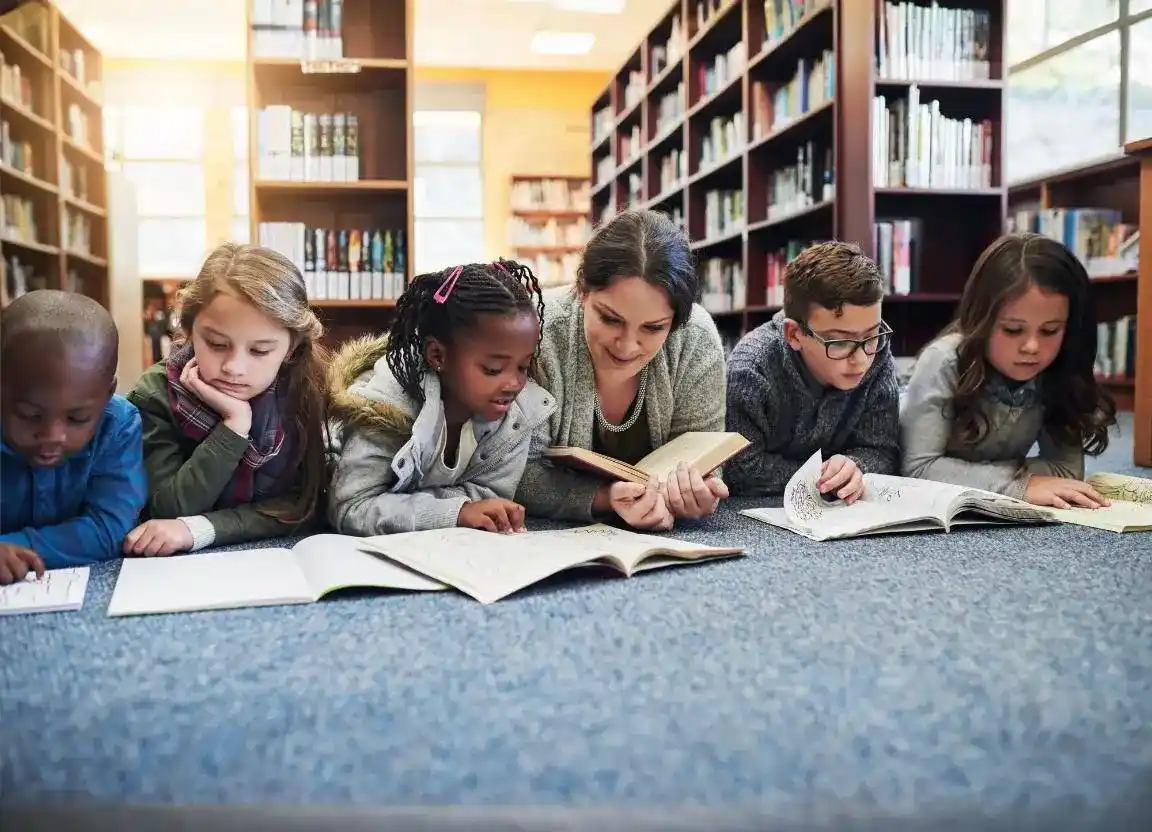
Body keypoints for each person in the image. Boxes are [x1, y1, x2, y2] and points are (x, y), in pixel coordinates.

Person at [515, 209, 728, 530]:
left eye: (654, 328)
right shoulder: (538, 331)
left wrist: (698, 487)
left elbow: (705, 451)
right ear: (582, 291)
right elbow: (515, 471)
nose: (627, 347)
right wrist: (603, 497)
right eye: (610, 319)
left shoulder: (695, 337)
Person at [123, 243, 330, 556]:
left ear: (291, 348)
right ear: (189, 331)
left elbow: (302, 505)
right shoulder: (154, 394)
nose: (234, 367)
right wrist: (234, 427)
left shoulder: (307, 389)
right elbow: (167, 511)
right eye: (217, 344)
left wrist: (202, 529)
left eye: (260, 351)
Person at [327, 259, 554, 534]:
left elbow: (489, 496)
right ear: (437, 355)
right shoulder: (384, 407)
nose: (514, 383)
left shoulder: (517, 416)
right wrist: (457, 510)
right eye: (493, 369)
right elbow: (351, 507)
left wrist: (465, 511)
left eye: (523, 366)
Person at [900, 232, 1117, 508]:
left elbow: (1067, 472)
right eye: (1013, 329)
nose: (1032, 347)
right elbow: (917, 470)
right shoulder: (943, 361)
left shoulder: (1059, 368)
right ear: (981, 319)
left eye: (1050, 330)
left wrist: (974, 475)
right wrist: (1016, 484)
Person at [724, 241, 900, 502]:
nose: (862, 360)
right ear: (794, 334)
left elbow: (883, 451)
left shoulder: (878, 353)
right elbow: (740, 469)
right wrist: (824, 477)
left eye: (872, 336)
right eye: (840, 342)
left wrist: (855, 465)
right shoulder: (751, 370)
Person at [0, 290, 146, 584]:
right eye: (30, 415)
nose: (52, 436)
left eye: (77, 419)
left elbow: (109, 530)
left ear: (107, 394)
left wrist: (14, 547)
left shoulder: (118, 425)